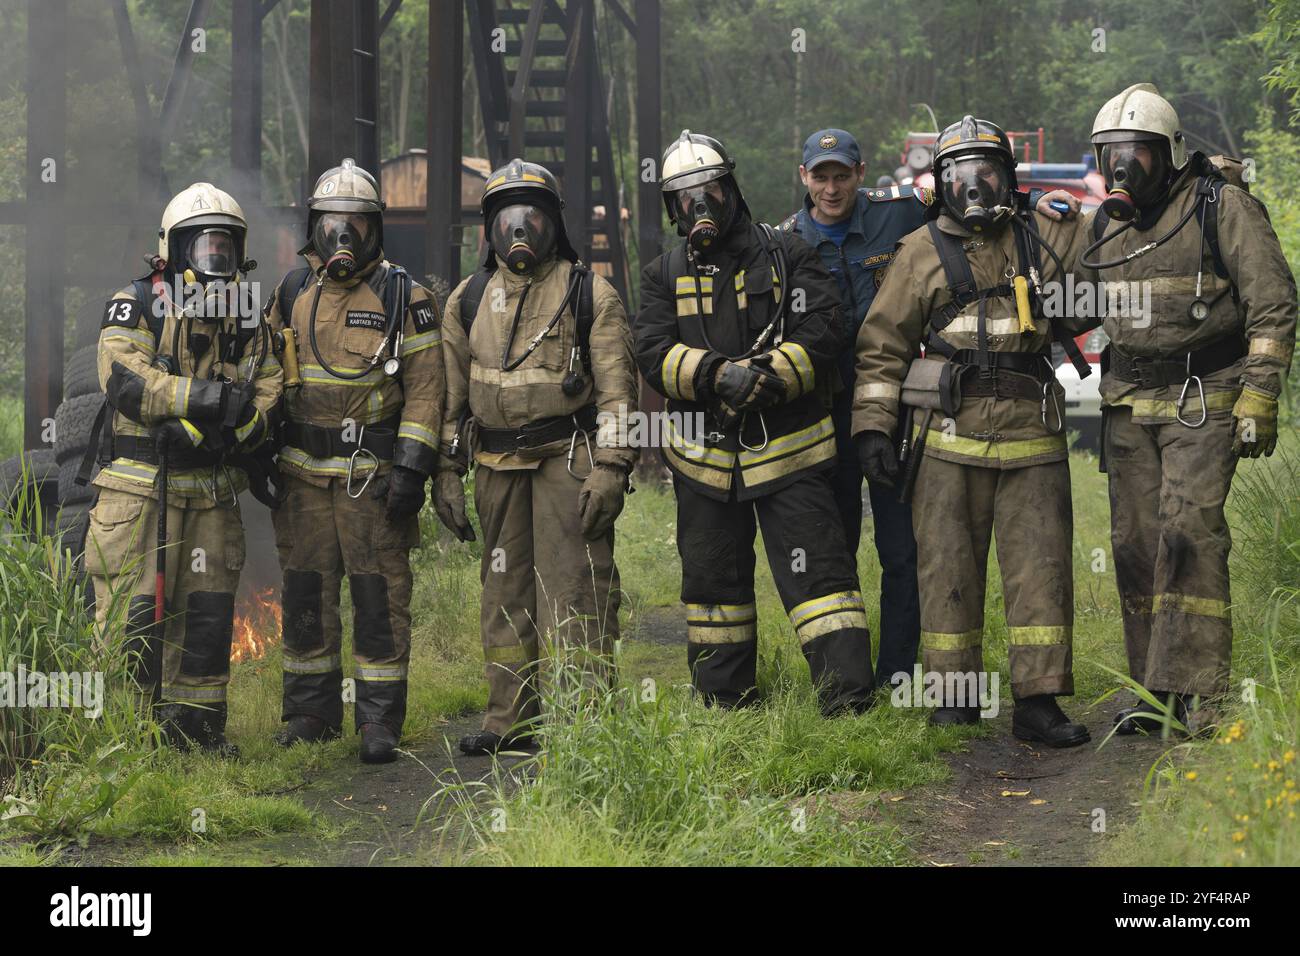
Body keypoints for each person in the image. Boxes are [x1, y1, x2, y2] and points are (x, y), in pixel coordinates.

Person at [852, 116, 1096, 746]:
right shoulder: (918, 252)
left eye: (987, 171)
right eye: (961, 174)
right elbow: (882, 346)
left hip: (1032, 438)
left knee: (1041, 570)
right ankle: (954, 697)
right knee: (946, 569)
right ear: (941, 182)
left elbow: (1113, 239)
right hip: (946, 444)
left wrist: (1056, 207)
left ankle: (1039, 703)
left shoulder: (1045, 234)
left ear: (1008, 177)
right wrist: (875, 428)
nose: (974, 185)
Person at [1078, 85, 1297, 735]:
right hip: (1127, 405)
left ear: (1169, 153)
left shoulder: (1220, 205)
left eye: (1136, 153)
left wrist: (1261, 391)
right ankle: (1155, 694)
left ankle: (1203, 694)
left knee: (1188, 535)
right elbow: (1085, 307)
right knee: (1134, 544)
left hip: (1206, 397)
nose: (1123, 167)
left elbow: (1275, 302)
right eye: (1111, 154)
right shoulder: (1106, 223)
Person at [636, 130, 875, 716]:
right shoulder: (661, 274)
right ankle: (724, 704)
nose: (701, 206)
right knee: (713, 588)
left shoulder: (785, 252)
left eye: (711, 190)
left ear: (732, 189)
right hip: (704, 464)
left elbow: (826, 324)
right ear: (672, 207)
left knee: (821, 581)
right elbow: (648, 347)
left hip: (791, 454)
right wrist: (716, 376)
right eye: (687, 197)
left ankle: (847, 704)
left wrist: (772, 375)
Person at [435, 159, 639, 756]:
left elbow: (618, 391)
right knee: (504, 590)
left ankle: (585, 721)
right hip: (495, 468)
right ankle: (509, 720)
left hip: (566, 463)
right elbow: (448, 399)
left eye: (533, 219)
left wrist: (610, 468)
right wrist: (446, 472)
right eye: (507, 220)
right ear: (489, 229)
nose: (519, 233)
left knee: (577, 589)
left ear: (554, 225)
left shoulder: (589, 293)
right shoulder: (467, 300)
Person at [85, 182, 282, 755]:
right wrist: (202, 399)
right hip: (140, 491)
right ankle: (124, 738)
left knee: (207, 615)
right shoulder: (137, 303)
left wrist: (234, 429)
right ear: (173, 249)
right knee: (135, 616)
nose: (213, 259)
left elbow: (268, 388)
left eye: (224, 247)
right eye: (202, 246)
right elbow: (122, 378)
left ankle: (195, 734)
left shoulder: (248, 318)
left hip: (213, 492)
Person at [265, 158, 445, 764]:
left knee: (379, 598)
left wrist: (412, 472)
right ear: (314, 229)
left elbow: (426, 391)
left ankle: (377, 723)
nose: (343, 240)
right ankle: (310, 712)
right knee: (306, 595)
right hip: (300, 480)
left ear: (375, 232)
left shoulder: (405, 297)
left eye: (356, 227)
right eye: (332, 226)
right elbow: (268, 375)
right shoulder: (291, 293)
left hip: (371, 481)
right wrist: (258, 451)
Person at [778, 128, 928, 687]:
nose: (832, 187)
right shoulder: (785, 243)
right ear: (804, 178)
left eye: (842, 175)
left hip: (893, 408)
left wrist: (1036, 199)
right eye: (821, 176)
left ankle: (899, 673)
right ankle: (845, 674)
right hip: (822, 413)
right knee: (834, 548)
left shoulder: (901, 216)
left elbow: (971, 200)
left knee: (901, 547)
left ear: (861, 174)